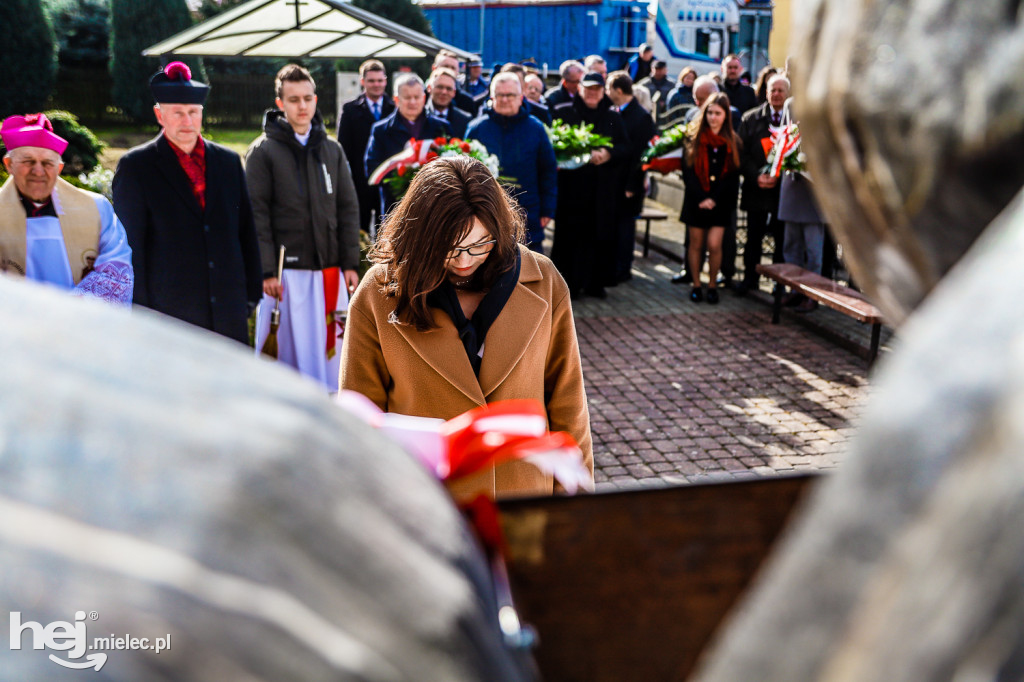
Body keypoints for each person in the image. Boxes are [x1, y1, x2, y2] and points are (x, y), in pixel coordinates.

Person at [340, 156, 593, 501]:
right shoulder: (377, 294)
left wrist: (576, 511)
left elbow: (569, 407)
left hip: (526, 505)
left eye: (480, 244)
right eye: (449, 248)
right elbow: (360, 424)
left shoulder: (545, 281)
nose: (463, 260)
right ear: (420, 237)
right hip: (427, 509)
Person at [113, 62, 262, 344]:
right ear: (160, 114)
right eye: (178, 113)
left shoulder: (228, 162)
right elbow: (131, 246)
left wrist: (251, 293)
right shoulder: (136, 167)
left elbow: (245, 231)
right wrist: (141, 312)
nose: (187, 121)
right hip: (169, 314)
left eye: (193, 112)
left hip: (227, 310)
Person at [245, 64, 361, 392]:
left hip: (328, 271)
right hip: (285, 277)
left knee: (331, 356)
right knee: (288, 358)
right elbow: (257, 215)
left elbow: (348, 208)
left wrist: (350, 263)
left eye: (308, 98)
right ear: (280, 103)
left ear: (316, 99)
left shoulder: (331, 150)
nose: (302, 106)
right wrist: (267, 270)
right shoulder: (263, 152)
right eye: (293, 99)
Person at [0, 113, 133, 305]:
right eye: (28, 161)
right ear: (9, 165)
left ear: (60, 167)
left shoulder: (96, 208)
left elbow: (116, 271)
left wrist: (65, 315)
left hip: (78, 328)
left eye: (47, 163)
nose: (38, 171)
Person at [550, 71, 630, 299]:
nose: (593, 93)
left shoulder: (612, 116)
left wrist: (608, 153)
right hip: (572, 192)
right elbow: (555, 147)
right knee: (570, 238)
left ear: (603, 91)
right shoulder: (564, 112)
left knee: (599, 237)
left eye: (597, 89)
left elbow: (626, 149)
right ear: (581, 89)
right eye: (588, 88)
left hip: (602, 193)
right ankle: (569, 285)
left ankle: (596, 283)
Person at [466, 72, 557, 253]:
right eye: (500, 95)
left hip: (528, 212)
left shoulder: (536, 128)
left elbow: (548, 170)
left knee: (530, 267)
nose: (505, 99)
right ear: (492, 97)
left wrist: (547, 209)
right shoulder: (477, 129)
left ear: (521, 97)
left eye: (511, 95)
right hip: (486, 213)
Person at [679, 92, 741, 305]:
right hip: (696, 201)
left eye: (718, 113)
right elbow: (687, 171)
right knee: (696, 244)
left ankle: (712, 284)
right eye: (710, 113)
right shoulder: (692, 138)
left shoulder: (733, 141)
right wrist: (702, 197)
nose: (713, 118)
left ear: (726, 116)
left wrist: (714, 199)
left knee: (715, 245)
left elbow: (732, 176)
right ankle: (696, 285)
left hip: (720, 203)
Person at [364, 73, 450, 219]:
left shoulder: (441, 127)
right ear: (396, 99)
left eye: (416, 97)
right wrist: (404, 173)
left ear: (424, 98)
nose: (412, 102)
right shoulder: (381, 130)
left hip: (434, 210)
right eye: (407, 97)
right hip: (396, 210)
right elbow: (372, 168)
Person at [736, 74, 791, 295]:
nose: (776, 94)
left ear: (787, 94)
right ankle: (750, 278)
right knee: (754, 237)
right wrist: (755, 175)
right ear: (766, 92)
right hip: (756, 188)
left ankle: (779, 283)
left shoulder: (794, 121)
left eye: (781, 90)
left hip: (782, 191)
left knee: (781, 238)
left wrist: (779, 175)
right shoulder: (751, 119)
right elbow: (742, 153)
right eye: (773, 90)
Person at [606, 71, 657, 282]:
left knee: (625, 228)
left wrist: (632, 185)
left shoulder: (642, 117)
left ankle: (622, 269)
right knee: (615, 227)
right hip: (614, 182)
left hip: (628, 184)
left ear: (618, 90)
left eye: (609, 89)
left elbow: (642, 156)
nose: (607, 93)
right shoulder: (616, 112)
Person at [337, 59, 394, 234]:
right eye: (371, 81)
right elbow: (343, 149)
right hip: (359, 182)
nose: (376, 85)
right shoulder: (350, 110)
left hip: (387, 182)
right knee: (359, 230)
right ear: (363, 82)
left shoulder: (395, 109)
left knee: (386, 231)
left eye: (379, 80)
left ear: (385, 81)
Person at [426, 67, 472, 139]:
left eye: (449, 89)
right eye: (440, 87)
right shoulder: (420, 117)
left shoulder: (464, 120)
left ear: (454, 92)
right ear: (429, 88)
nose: (444, 92)